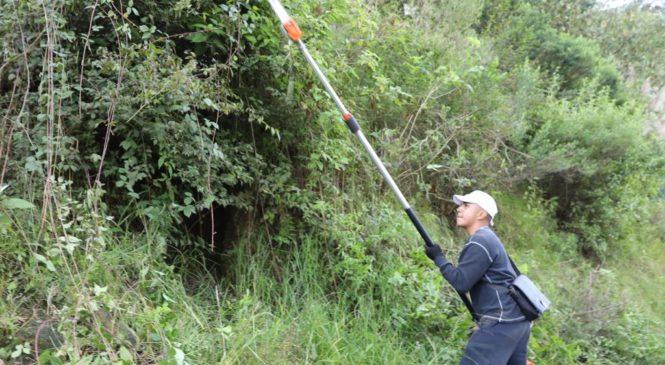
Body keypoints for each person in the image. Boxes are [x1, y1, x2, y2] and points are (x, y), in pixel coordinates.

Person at [425, 190, 531, 365]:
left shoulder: (480, 241)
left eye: (466, 205)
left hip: (501, 322)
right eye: (460, 205)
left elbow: (461, 282)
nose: (459, 209)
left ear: (481, 214)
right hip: (517, 323)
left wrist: (438, 258)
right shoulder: (490, 239)